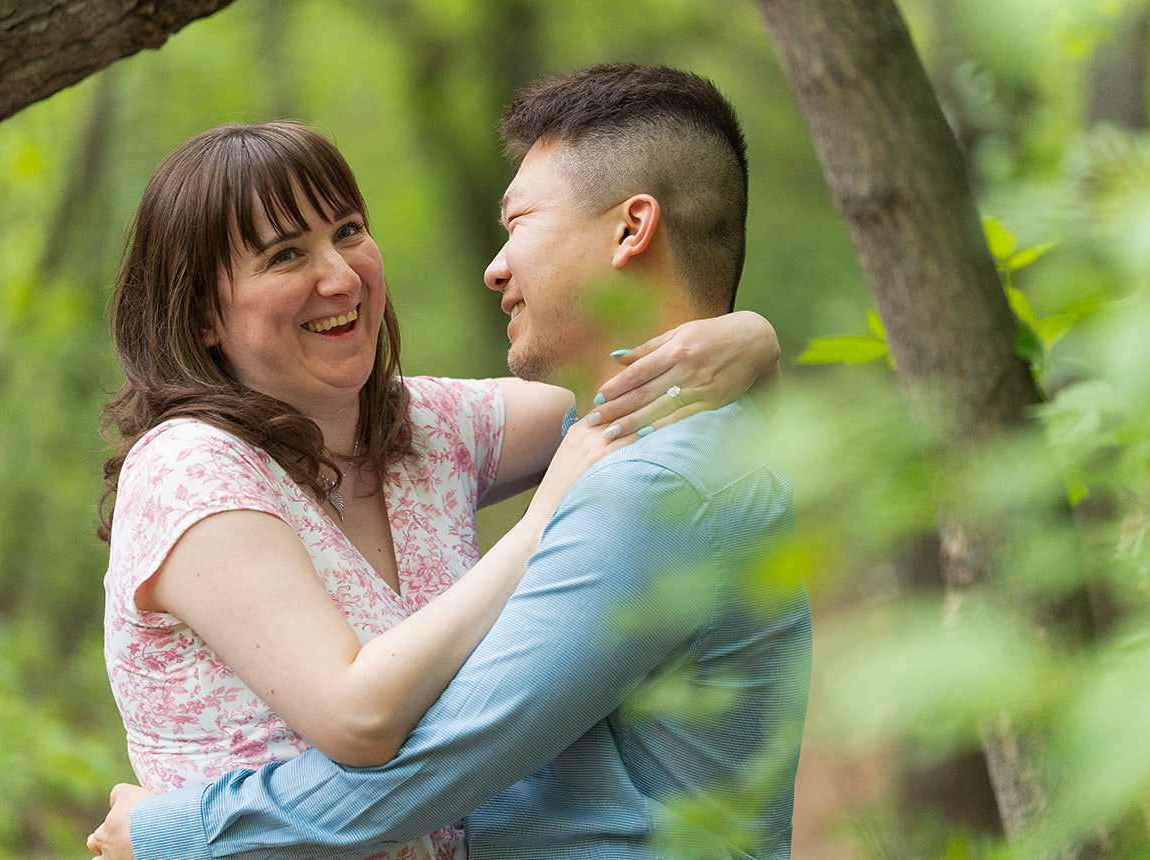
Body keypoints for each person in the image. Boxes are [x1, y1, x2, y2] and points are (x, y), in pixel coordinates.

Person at [91, 63, 811, 860]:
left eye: (349, 232)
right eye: (285, 256)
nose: (339, 275)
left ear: (630, 230)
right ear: (200, 316)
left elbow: (622, 393)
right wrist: (539, 526)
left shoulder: (427, 432)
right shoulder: (194, 467)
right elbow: (366, 723)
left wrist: (752, 337)